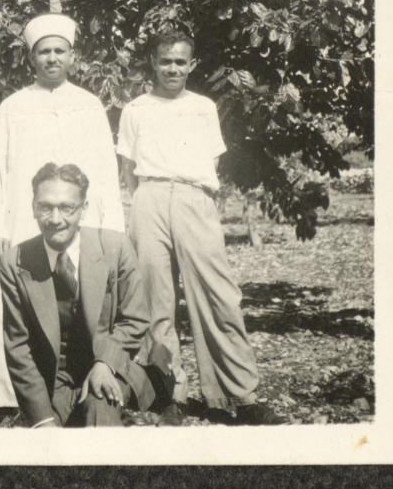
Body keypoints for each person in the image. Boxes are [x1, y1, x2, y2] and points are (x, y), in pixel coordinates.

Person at [117, 29, 284, 426]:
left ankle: (240, 395)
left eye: (180, 61)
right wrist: (145, 202)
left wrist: (191, 197)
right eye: (165, 61)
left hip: (194, 198)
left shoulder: (203, 107)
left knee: (218, 296)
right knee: (154, 300)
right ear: (153, 63)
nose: (172, 68)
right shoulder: (135, 109)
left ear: (191, 65)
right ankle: (167, 393)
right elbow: (128, 170)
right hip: (149, 198)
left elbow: (211, 162)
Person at [0, 12, 125, 417]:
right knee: (11, 301)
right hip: (22, 222)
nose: (52, 58)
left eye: (59, 51)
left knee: (79, 300)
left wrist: (108, 231)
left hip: (78, 223)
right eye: (44, 52)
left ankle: (75, 385)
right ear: (32, 58)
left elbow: (105, 173)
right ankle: (0, 397)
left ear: (72, 56)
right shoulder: (13, 107)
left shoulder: (89, 105)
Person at [0, 162, 173, 427]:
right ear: (33, 207)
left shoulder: (115, 247)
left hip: (113, 365)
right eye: (45, 207)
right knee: (49, 438)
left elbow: (135, 318)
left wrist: (105, 363)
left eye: (67, 208)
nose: (55, 219)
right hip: (54, 379)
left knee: (100, 407)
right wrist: (42, 419)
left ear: (84, 209)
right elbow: (18, 347)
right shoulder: (16, 262)